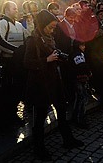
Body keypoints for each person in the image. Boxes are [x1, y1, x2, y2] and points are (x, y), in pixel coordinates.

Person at [24, 9, 84, 160]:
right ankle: (39, 148)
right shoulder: (33, 40)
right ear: (43, 25)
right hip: (41, 84)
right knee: (40, 118)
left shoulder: (50, 38)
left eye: (54, 27)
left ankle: (68, 139)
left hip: (55, 81)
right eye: (50, 27)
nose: (53, 30)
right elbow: (27, 63)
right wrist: (47, 60)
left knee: (62, 111)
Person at [0, 0, 28, 128]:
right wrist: (16, 51)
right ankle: (2, 119)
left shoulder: (18, 24)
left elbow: (27, 37)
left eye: (17, 8)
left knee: (17, 90)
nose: (16, 10)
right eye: (14, 8)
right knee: (5, 91)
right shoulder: (2, 22)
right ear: (6, 10)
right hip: (7, 62)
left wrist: (31, 23)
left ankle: (12, 114)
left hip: (18, 63)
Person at [70, 40, 92, 129]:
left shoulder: (75, 53)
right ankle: (79, 119)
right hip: (78, 79)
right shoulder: (78, 55)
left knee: (80, 99)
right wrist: (89, 72)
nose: (84, 47)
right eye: (83, 45)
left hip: (76, 79)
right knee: (81, 99)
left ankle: (77, 117)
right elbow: (82, 66)